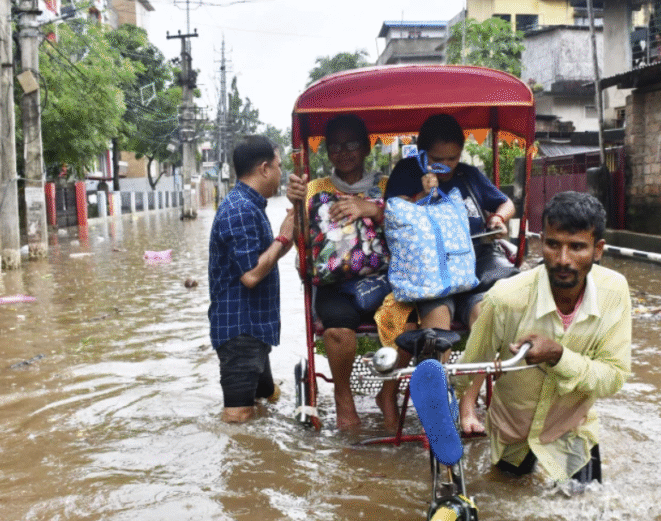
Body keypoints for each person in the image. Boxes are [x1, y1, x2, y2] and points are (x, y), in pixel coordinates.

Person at [457, 191, 631, 489]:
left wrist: (558, 355)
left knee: (584, 508)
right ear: (541, 243)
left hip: (572, 428)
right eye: (553, 245)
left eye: (577, 247)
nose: (563, 260)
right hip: (513, 431)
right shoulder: (506, 298)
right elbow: (471, 366)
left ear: (598, 250)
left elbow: (613, 377)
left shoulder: (614, 293)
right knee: (506, 502)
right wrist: (453, 405)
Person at [286, 114, 402, 431]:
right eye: (335, 146)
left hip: (385, 281)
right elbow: (302, 242)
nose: (343, 152)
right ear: (327, 152)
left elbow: (410, 233)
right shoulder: (313, 190)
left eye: (351, 144)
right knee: (338, 331)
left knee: (410, 322)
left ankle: (388, 394)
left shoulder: (388, 187)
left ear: (366, 147)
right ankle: (343, 396)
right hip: (335, 285)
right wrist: (297, 207)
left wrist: (373, 210)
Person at [384, 113, 518, 332]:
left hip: (476, 268)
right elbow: (392, 212)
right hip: (431, 272)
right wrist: (423, 196)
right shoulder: (407, 172)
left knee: (483, 316)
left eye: (452, 159)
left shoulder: (468, 175)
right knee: (437, 324)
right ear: (421, 153)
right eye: (437, 160)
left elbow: (506, 203)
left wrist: (497, 218)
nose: (446, 166)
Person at [209, 135, 294, 423]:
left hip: (253, 326)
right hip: (240, 328)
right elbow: (251, 275)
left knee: (260, 404)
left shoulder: (249, 205)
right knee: (238, 415)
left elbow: (267, 258)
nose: (281, 173)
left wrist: (287, 236)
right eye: (279, 166)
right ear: (265, 168)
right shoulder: (240, 210)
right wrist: (282, 237)